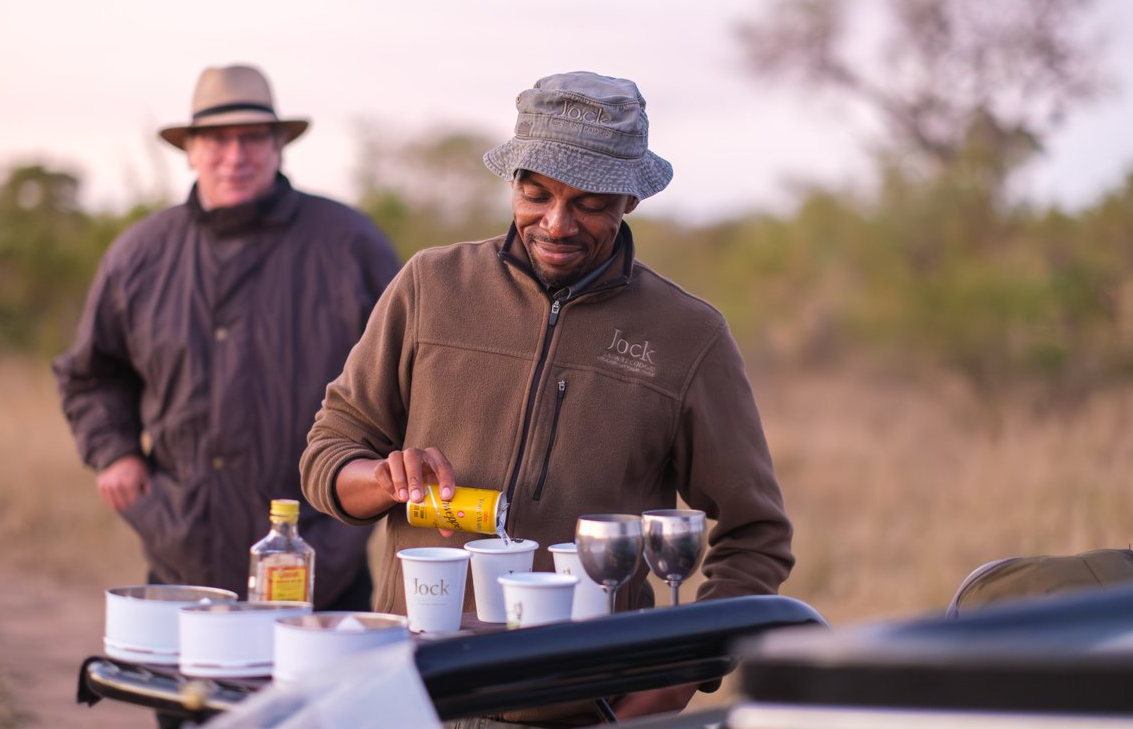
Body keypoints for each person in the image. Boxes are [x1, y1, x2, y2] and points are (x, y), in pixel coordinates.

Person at [301, 71, 794, 722]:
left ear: (631, 198)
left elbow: (756, 534)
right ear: (513, 182)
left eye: (590, 203)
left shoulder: (688, 334)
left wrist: (678, 679)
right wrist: (383, 479)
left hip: (586, 706)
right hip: (412, 695)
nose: (556, 224)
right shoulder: (430, 285)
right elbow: (327, 454)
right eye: (535, 195)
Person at [53, 64, 402, 613]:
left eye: (252, 138)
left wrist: (374, 483)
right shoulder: (140, 254)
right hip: (182, 552)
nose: (235, 156)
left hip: (324, 554)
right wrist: (115, 451)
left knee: (319, 673)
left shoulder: (349, 244)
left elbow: (407, 373)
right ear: (190, 150)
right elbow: (92, 374)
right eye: (217, 139)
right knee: (184, 673)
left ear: (278, 146)